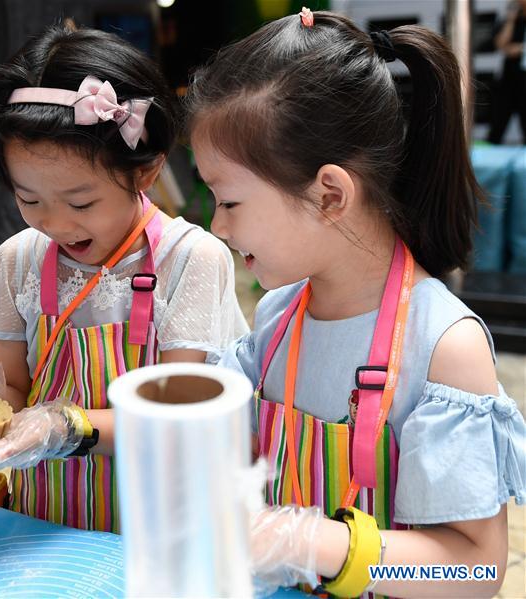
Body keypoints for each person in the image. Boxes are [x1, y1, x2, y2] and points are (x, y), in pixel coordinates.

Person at [187, 9, 526, 597]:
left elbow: (471, 572)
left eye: (229, 203)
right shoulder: (278, 316)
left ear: (329, 194)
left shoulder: (445, 347)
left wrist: (310, 543)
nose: (216, 227)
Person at [0, 23, 250, 532]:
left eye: (81, 202)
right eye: (28, 199)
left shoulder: (191, 260)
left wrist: (65, 424)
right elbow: (15, 392)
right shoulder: (17, 261)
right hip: (42, 513)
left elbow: (176, 417)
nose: (55, 223)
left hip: (156, 519)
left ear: (145, 171)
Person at [489, 0, 526, 144]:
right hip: (509, 80)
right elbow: (501, 45)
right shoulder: (509, 20)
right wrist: (511, 19)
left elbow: (513, 49)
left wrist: (520, 48)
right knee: (498, 124)